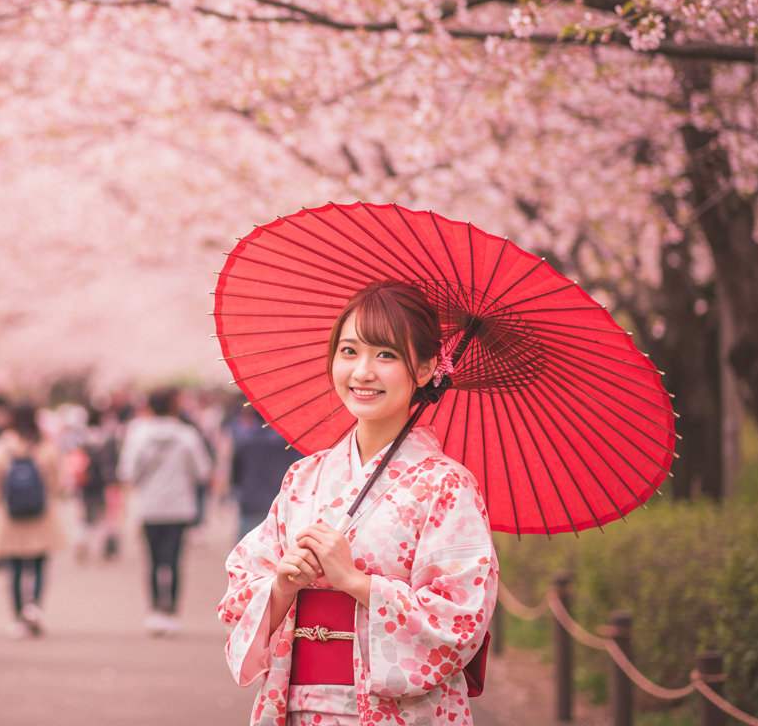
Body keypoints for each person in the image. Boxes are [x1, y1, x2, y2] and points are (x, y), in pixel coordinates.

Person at [219, 281, 498, 725]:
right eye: (349, 351)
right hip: (298, 706)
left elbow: (460, 618)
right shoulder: (304, 477)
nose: (362, 372)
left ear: (426, 368)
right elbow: (241, 589)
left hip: (395, 712)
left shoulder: (446, 485)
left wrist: (353, 580)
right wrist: (282, 586)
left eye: (385, 355)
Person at [117, 386, 212, 637]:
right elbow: (202, 471)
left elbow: (127, 473)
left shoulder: (138, 434)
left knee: (152, 560)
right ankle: (172, 614)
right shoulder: (187, 435)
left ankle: (155, 612)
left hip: (149, 506)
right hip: (180, 506)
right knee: (174, 561)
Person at [0, 402, 63, 638]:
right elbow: (58, 481)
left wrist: (3, 501)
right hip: (41, 516)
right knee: (39, 565)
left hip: (10, 516)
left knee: (15, 570)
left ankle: (18, 616)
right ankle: (34, 606)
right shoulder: (46, 447)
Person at [229, 404, 305, 540]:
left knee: (249, 550)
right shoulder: (289, 442)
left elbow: (236, 473)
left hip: (251, 500)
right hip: (279, 500)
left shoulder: (244, 440)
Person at [75, 409, 120, 562]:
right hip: (104, 482)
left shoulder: (83, 439)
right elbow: (114, 461)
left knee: (86, 517)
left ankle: (82, 540)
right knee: (104, 516)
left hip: (86, 482)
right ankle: (105, 547)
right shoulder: (107, 439)